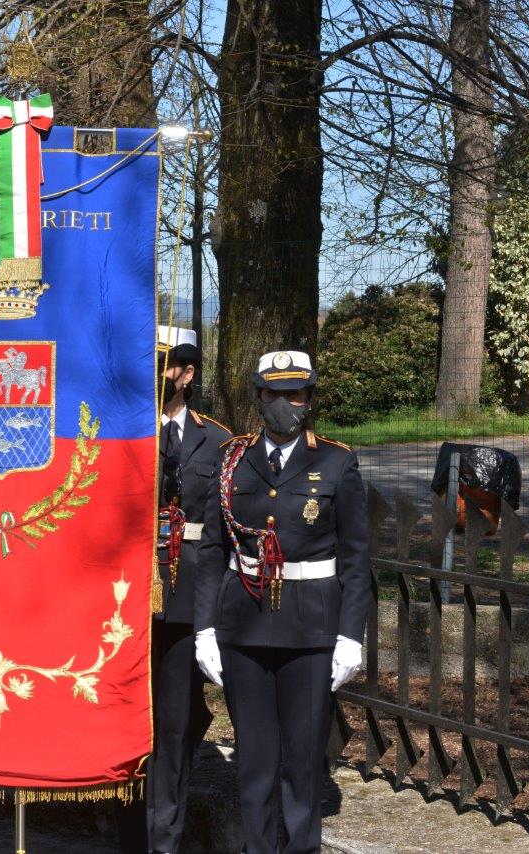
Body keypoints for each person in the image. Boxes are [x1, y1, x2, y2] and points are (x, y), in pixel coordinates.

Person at [194, 350, 371, 854]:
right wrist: (206, 629)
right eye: (273, 393)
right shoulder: (233, 459)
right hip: (243, 627)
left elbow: (356, 560)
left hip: (311, 631)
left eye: (295, 394)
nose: (283, 404)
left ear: (310, 399)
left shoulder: (337, 462)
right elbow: (213, 549)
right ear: (259, 397)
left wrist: (350, 637)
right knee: (253, 762)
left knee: (301, 759)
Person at [118, 325, 232, 854]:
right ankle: (122, 826)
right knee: (124, 711)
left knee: (176, 714)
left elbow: (225, 528)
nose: (160, 377)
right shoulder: (124, 429)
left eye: (168, 368)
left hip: (186, 591)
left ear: (186, 374)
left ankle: (165, 836)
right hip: (126, 591)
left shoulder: (218, 439)